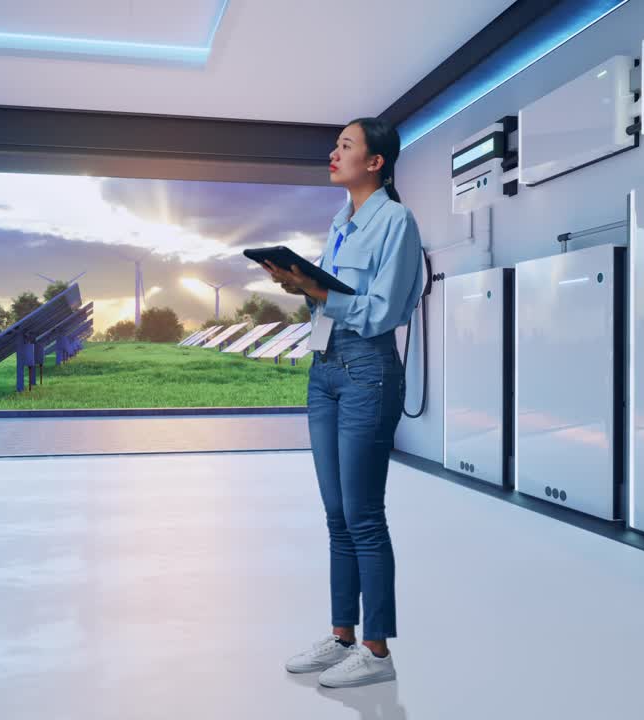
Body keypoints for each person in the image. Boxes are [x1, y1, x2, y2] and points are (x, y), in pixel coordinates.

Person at [262, 117, 424, 689]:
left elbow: (383, 312)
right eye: (336, 145)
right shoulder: (341, 222)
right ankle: (342, 638)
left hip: (367, 372)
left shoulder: (395, 221)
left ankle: (377, 653)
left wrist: (318, 291)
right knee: (336, 517)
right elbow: (331, 304)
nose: (334, 153)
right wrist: (305, 289)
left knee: (363, 516)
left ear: (376, 161)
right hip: (325, 369)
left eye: (346, 146)